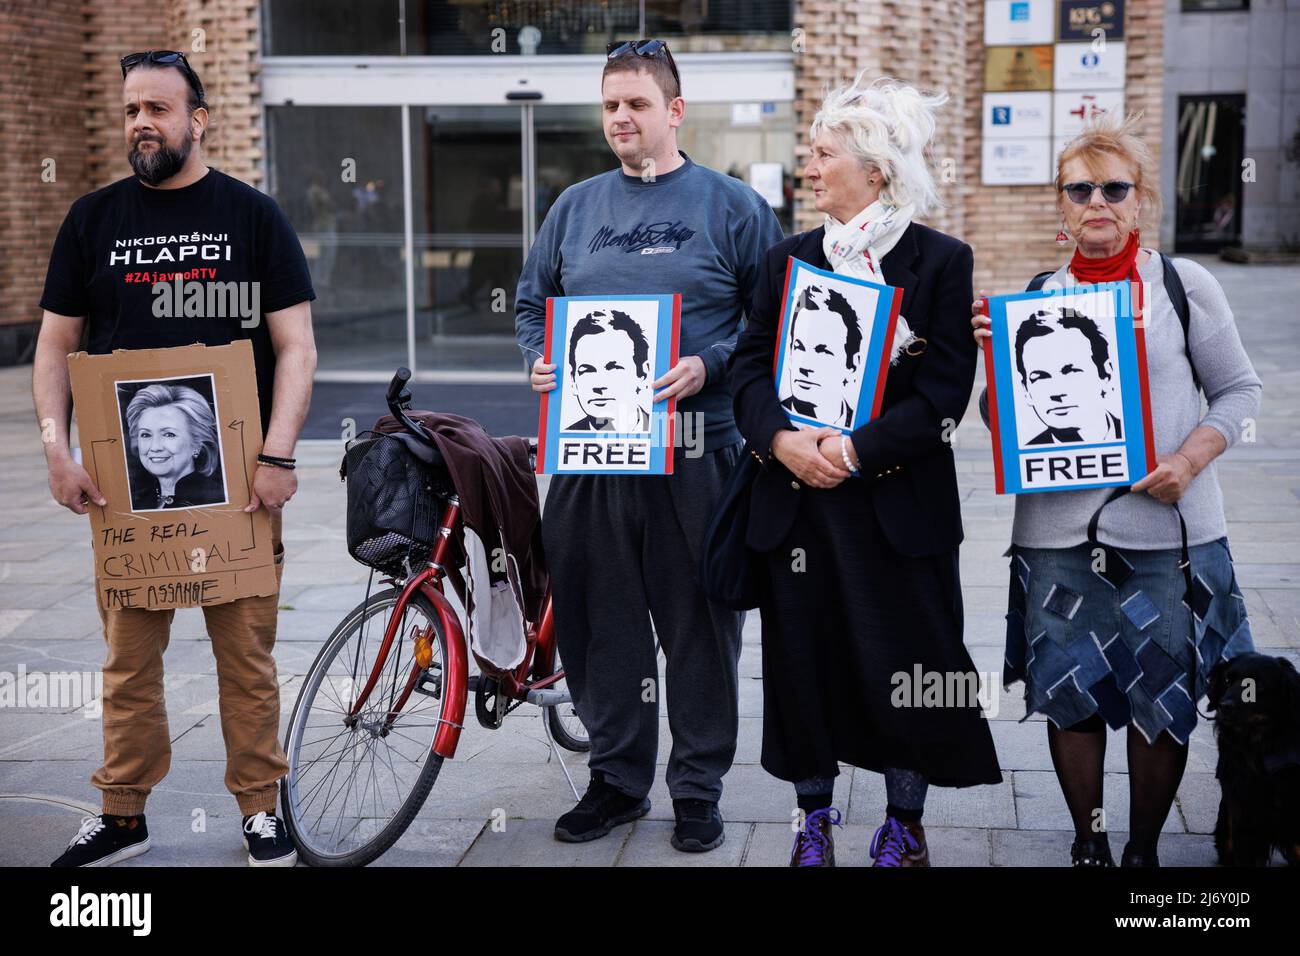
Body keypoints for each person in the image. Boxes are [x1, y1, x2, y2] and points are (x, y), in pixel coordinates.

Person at [33, 51, 318, 866]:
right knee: (127, 663)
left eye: (157, 108)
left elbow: (295, 347)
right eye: (131, 110)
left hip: (237, 489)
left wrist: (277, 454)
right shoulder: (92, 220)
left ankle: (261, 810)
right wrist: (58, 451)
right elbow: (54, 348)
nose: (140, 124)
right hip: (126, 496)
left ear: (198, 118)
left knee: (247, 661)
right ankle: (123, 813)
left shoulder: (254, 218)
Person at [971, 111, 1262, 867]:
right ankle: (1089, 842)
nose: (1096, 201)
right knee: (1070, 693)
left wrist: (1189, 461)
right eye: (1079, 188)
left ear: (1140, 200)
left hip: (1166, 534)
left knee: (1160, 702)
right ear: (1060, 205)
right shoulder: (1035, 295)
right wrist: (996, 367)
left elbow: (1237, 390)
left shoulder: (1181, 283)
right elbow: (1005, 426)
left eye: (1114, 187)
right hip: (1057, 537)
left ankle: (1143, 851)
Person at [515, 39, 784, 852]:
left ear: (674, 111)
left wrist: (709, 365)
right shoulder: (575, 208)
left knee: (700, 626)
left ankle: (697, 789)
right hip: (592, 457)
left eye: (636, 104)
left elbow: (773, 323)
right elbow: (534, 305)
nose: (620, 119)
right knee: (601, 625)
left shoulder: (731, 207)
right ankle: (617, 781)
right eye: (609, 105)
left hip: (699, 453)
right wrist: (538, 359)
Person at [730, 75, 1002, 867]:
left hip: (895, 503)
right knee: (802, 661)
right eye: (811, 153)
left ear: (874, 167)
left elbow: (947, 392)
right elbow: (748, 370)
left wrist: (854, 451)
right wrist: (781, 443)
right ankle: (811, 822)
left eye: (822, 153)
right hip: (797, 504)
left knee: (907, 662)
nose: (809, 167)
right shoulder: (787, 261)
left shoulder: (941, 261)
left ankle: (903, 825)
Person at [1014, 307, 1124, 445]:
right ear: (1026, 391)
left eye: (1071, 372)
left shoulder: (1141, 439)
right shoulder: (1023, 459)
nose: (1057, 392)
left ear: (1106, 375)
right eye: (1040, 377)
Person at [123, 383, 225, 510]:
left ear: (197, 444)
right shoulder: (134, 502)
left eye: (169, 434)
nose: (155, 447)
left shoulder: (217, 500)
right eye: (145, 435)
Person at [778, 284, 863, 427]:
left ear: (852, 366)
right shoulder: (773, 414)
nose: (804, 366)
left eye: (822, 351)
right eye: (799, 347)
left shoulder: (861, 423)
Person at [565, 310, 652, 432]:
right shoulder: (564, 439)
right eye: (587, 371)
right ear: (573, 381)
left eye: (613, 368)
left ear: (642, 374)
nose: (599, 385)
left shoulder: (669, 434)